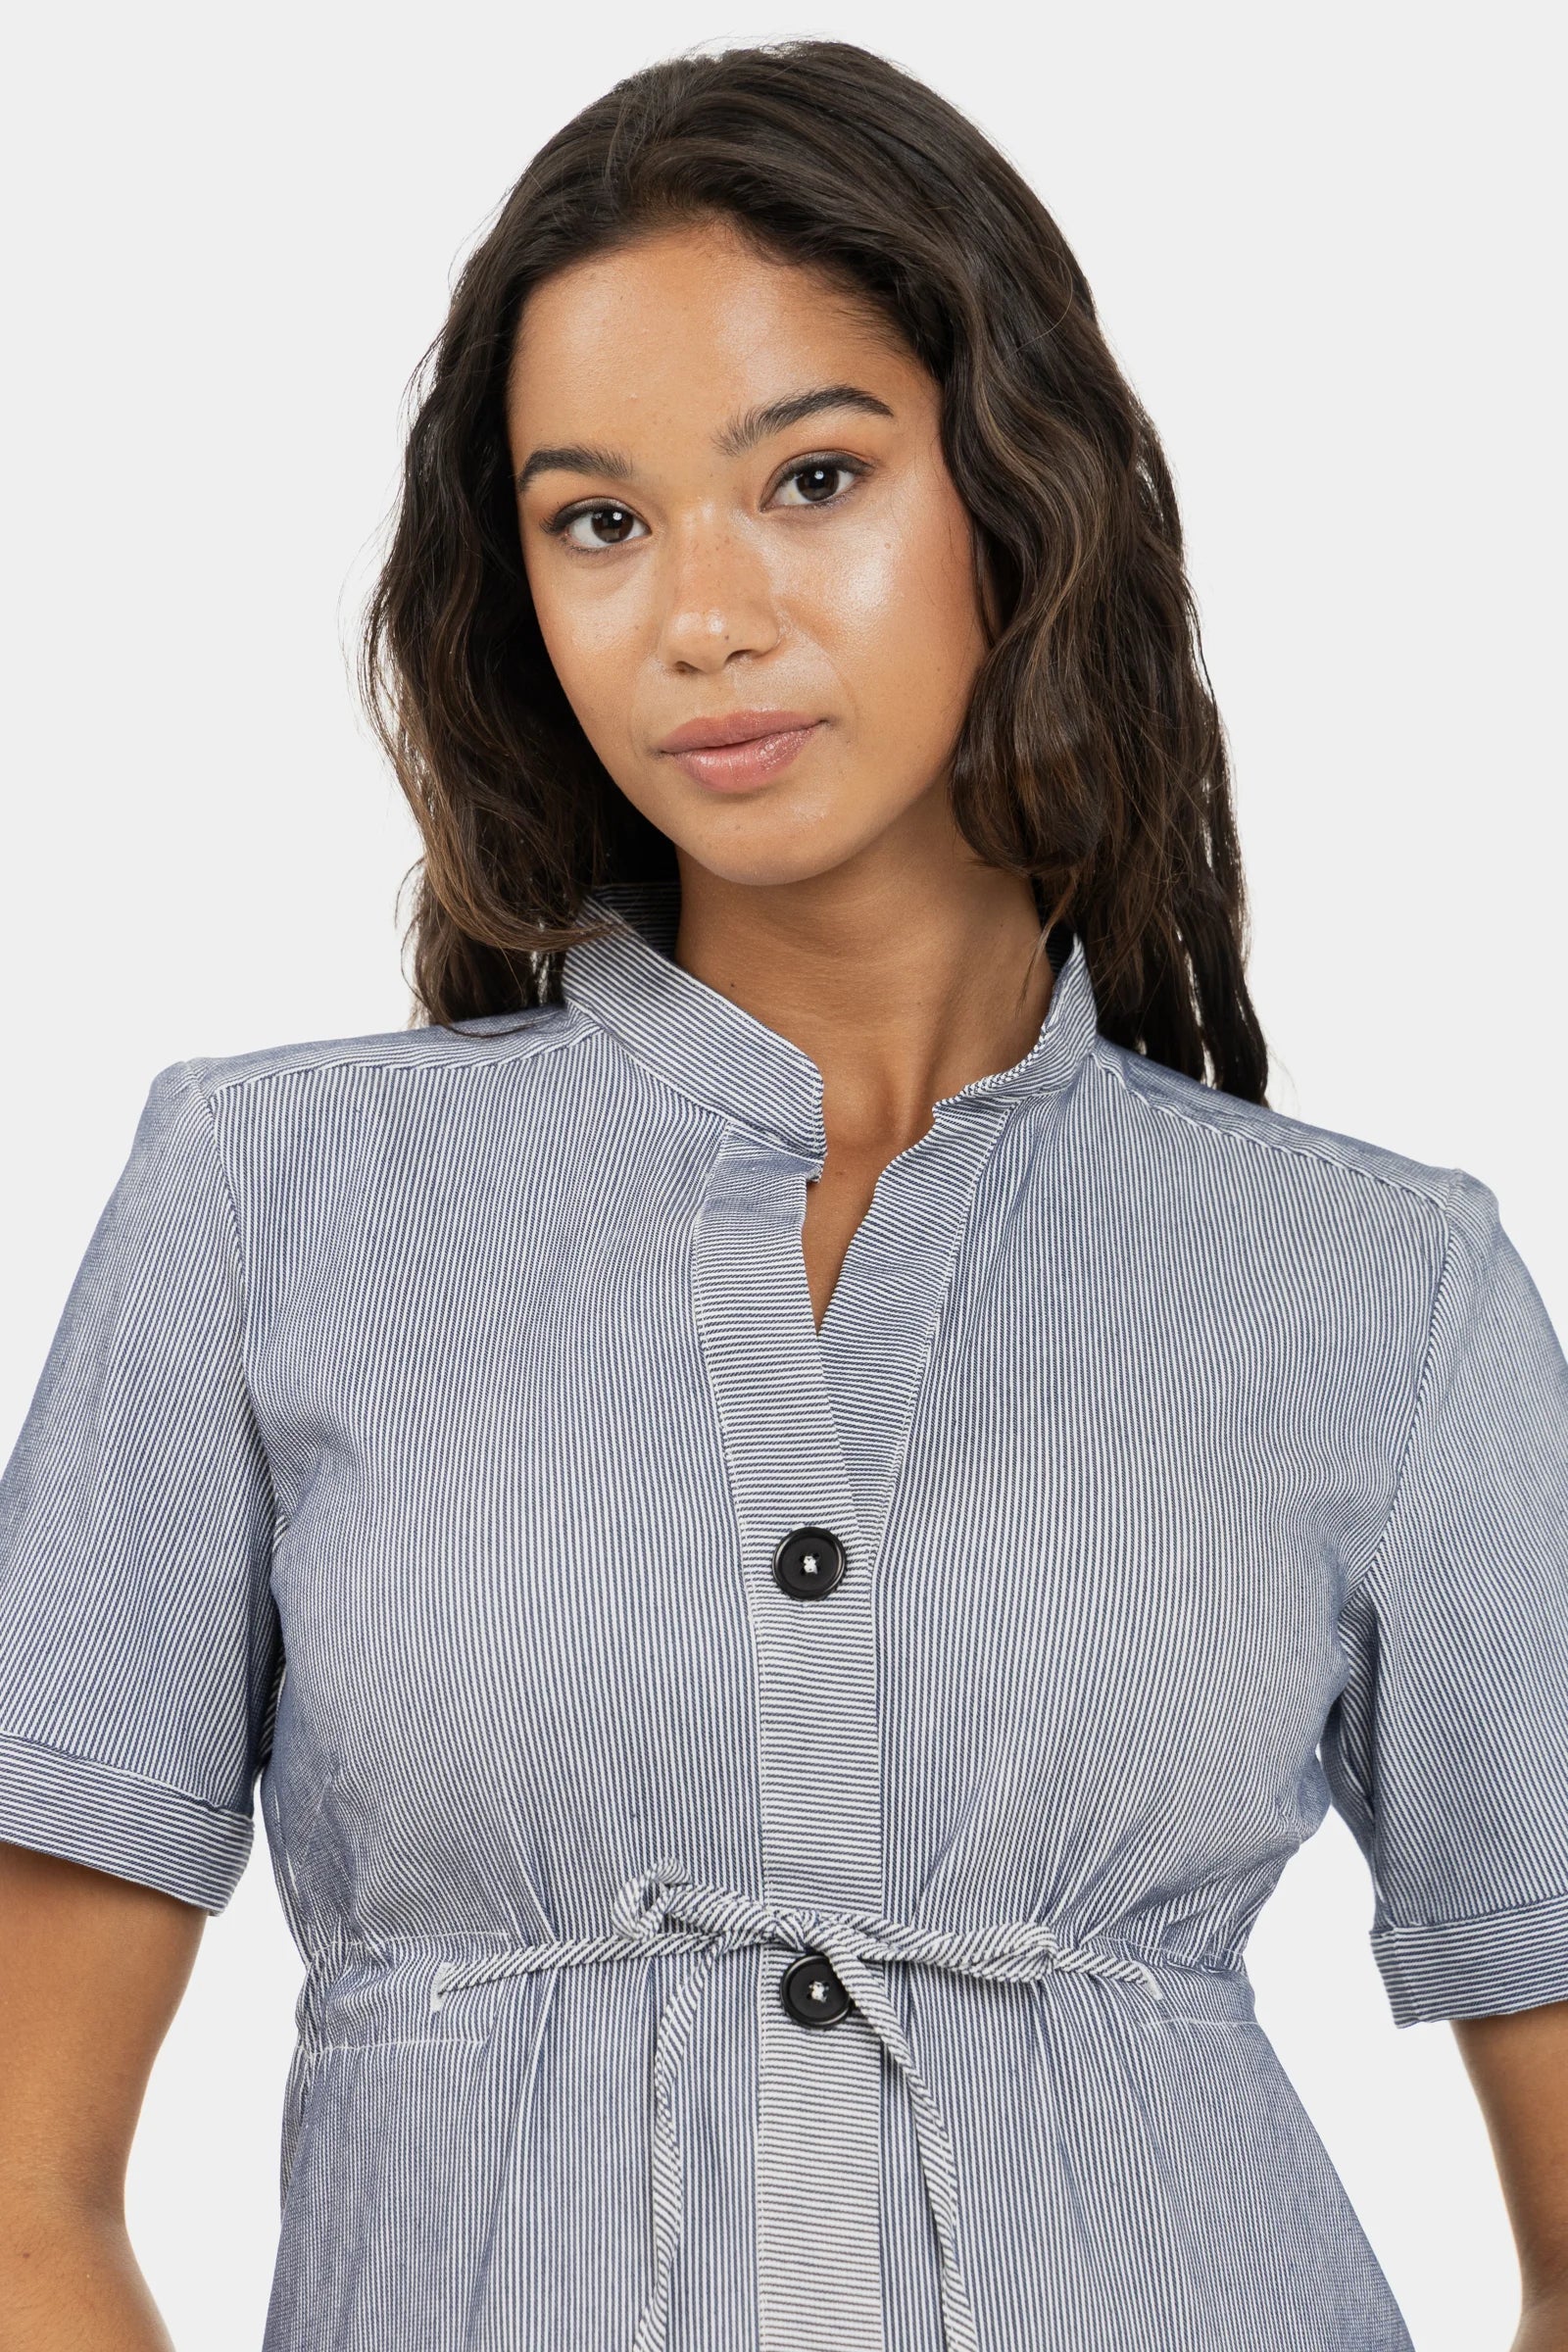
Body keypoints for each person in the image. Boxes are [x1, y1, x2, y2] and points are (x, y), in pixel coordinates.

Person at [1, 36, 1565, 2352]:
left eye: (809, 479)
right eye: (596, 521)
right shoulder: (267, 1204)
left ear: (1016, 493)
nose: (702, 618)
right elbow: (18, 2185)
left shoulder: (1380, 1290)